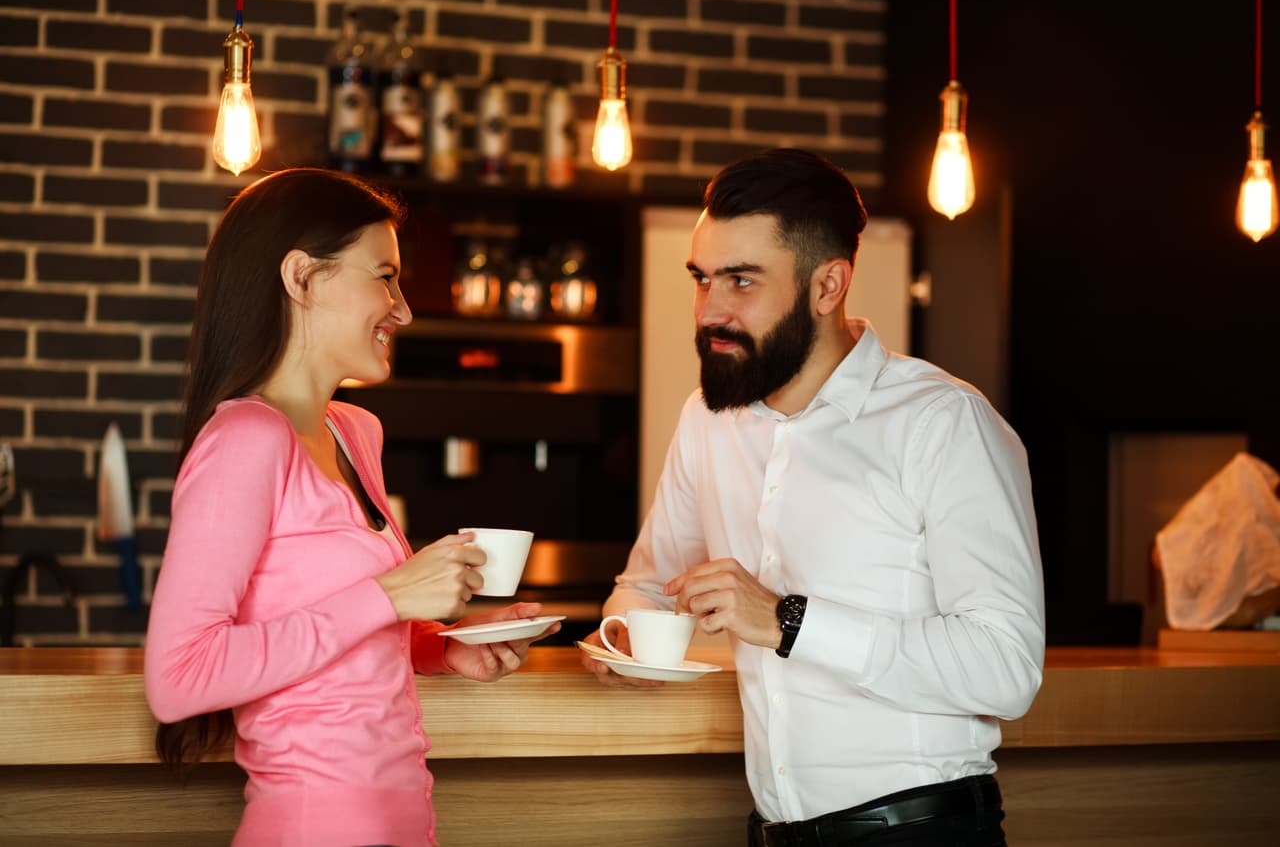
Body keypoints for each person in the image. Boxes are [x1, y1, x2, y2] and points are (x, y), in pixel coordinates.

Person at [582, 148, 1045, 846]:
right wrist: (624, 639)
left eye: (742, 281)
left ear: (828, 285)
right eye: (702, 279)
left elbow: (1006, 666)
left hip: (921, 832)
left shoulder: (944, 422)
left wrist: (789, 620)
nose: (711, 311)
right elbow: (644, 585)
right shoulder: (707, 420)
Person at [144, 167, 558, 847]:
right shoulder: (246, 439)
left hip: (405, 824)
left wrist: (444, 645)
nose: (403, 308)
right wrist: (392, 593)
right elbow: (179, 675)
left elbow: (341, 638)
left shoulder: (354, 431)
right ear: (302, 277)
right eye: (384, 276)